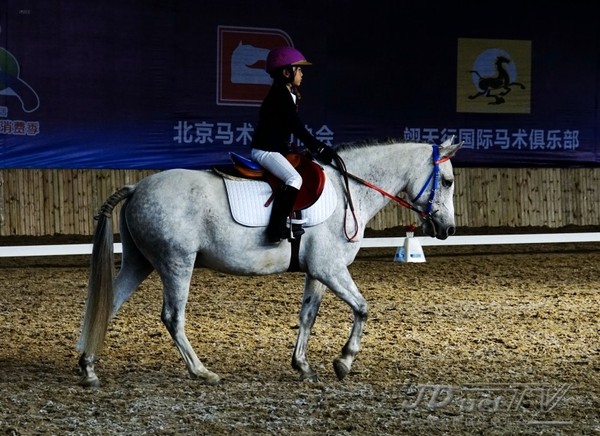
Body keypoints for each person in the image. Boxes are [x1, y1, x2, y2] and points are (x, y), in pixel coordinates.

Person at [251, 46, 335, 243]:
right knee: (293, 179)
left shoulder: (286, 93)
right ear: (286, 72)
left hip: (277, 149)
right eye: (299, 69)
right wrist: (318, 147)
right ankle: (275, 230)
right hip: (266, 151)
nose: (302, 74)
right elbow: (296, 127)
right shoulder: (280, 96)